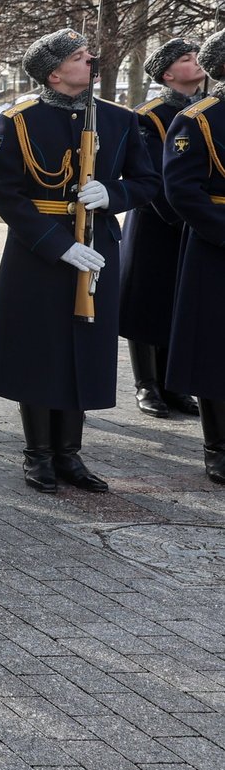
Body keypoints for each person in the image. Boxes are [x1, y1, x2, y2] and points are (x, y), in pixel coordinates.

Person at [0, 29, 157, 493]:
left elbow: (147, 181)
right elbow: (8, 194)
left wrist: (113, 193)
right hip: (37, 249)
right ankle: (38, 454)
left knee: (83, 348)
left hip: (97, 243)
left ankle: (70, 454)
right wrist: (56, 243)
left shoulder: (118, 120)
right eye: (80, 57)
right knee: (40, 350)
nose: (91, 60)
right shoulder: (17, 120)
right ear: (56, 72)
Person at [119, 38, 205, 418]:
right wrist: (183, 217)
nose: (196, 62)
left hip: (193, 220)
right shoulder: (149, 115)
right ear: (168, 74)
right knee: (147, 301)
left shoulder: (205, 109)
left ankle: (173, 385)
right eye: (187, 59)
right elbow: (153, 174)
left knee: (178, 301)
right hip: (157, 220)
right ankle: (147, 385)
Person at [160, 30, 225, 483]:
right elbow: (182, 188)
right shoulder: (198, 118)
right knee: (216, 348)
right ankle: (218, 445)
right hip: (216, 246)